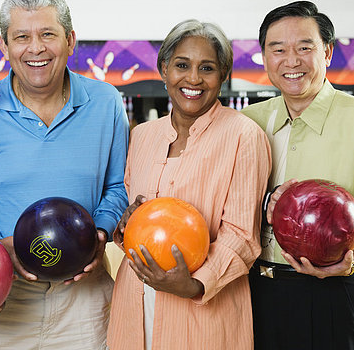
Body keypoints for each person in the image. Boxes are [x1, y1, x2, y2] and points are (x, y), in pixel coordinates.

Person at [0, 0, 129, 349]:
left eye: (48, 34)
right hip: (2, 291)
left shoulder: (106, 103)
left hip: (85, 295)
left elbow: (118, 186)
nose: (35, 48)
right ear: (4, 46)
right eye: (22, 37)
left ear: (70, 40)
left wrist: (99, 232)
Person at [241, 0, 354, 350]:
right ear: (264, 57)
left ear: (327, 53)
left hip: (332, 298)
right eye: (278, 49)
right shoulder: (246, 122)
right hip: (253, 293)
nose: (291, 60)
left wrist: (351, 261)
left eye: (305, 47)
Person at [107, 19, 272, 350]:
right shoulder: (141, 136)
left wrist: (196, 284)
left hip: (205, 311)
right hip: (134, 301)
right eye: (182, 65)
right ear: (164, 68)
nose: (193, 79)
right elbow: (132, 210)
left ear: (222, 75)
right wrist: (123, 225)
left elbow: (241, 237)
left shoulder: (243, 135)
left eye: (207, 68)